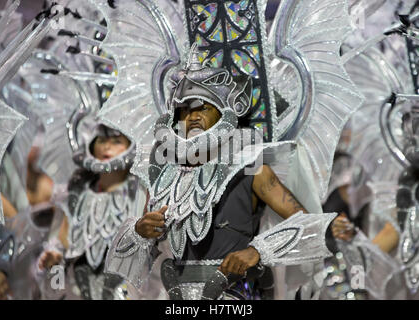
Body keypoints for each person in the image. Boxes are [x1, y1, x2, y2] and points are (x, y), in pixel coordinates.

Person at [105, 52, 336, 300]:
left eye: (202, 107)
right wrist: (140, 231)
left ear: (225, 113)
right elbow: (139, 264)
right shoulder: (161, 171)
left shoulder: (250, 166)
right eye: (183, 110)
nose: (192, 116)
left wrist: (257, 251)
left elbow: (311, 226)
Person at [36, 124, 147, 300]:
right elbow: (59, 250)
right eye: (101, 140)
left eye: (116, 141)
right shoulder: (75, 194)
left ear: (132, 145)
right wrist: (54, 262)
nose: (106, 146)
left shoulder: (142, 193)